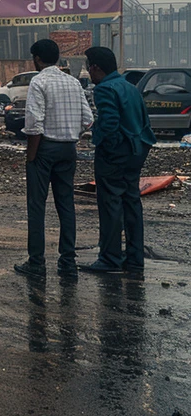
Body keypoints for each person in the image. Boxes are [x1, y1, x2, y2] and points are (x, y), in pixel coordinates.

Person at [16, 39, 93, 278]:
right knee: (66, 204)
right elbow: (88, 119)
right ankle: (67, 261)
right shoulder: (72, 82)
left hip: (45, 149)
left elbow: (34, 124)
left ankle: (36, 262)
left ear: (37, 59)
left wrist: (31, 157)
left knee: (37, 207)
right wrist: (71, 134)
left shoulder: (39, 81)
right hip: (68, 149)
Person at [82, 46, 155, 274]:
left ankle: (110, 258)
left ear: (95, 67)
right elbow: (144, 121)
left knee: (110, 205)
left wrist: (106, 146)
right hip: (137, 151)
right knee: (131, 203)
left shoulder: (105, 89)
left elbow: (110, 124)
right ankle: (134, 258)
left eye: (88, 66)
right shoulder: (130, 87)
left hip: (116, 155)